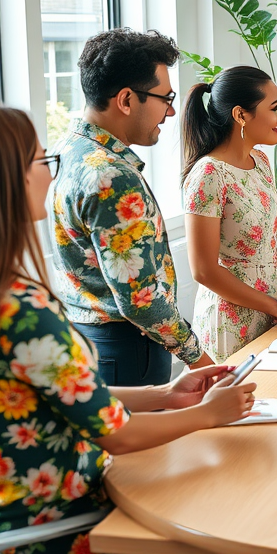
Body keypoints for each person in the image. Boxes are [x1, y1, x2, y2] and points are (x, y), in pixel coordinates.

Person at [0, 104, 277, 554]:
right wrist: (209, 413)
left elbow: (64, 402)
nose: (52, 173)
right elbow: (114, 435)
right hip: (61, 536)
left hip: (13, 520)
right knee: (236, 527)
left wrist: (165, 396)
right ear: (4, 179)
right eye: (41, 161)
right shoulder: (22, 310)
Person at [49, 28, 212, 387]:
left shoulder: (68, 148)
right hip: (128, 347)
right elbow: (138, 300)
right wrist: (199, 359)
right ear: (126, 99)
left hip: (93, 338)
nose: (170, 112)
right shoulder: (110, 176)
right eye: (165, 98)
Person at [181, 66, 277, 363]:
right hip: (231, 319)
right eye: (274, 108)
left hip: (274, 307)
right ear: (240, 115)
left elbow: (276, 233)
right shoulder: (209, 174)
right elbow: (203, 270)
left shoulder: (260, 161)